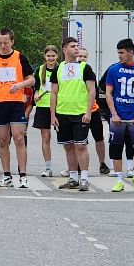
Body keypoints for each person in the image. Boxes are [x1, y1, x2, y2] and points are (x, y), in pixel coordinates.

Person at [0, 29, 35, 189]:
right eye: (0, 43)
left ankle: (23, 176)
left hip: (16, 103)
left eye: (6, 42)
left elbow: (31, 80)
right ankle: (6, 175)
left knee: (19, 138)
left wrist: (19, 85)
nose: (3, 46)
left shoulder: (19, 57)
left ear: (12, 41)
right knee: (3, 141)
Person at [101, 37, 134, 193]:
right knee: (116, 148)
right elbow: (108, 93)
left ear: (131, 52)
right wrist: (113, 114)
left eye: (122, 52)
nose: (119, 56)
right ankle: (118, 180)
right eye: (118, 52)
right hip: (118, 117)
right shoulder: (114, 70)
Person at [50, 37, 97, 191]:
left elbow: (92, 91)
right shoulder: (59, 68)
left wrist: (88, 111)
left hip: (80, 113)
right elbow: (54, 93)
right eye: (72, 46)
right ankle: (73, 178)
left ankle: (84, 178)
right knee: (68, 146)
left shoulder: (85, 68)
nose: (76, 48)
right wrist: (53, 114)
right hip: (63, 113)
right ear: (64, 50)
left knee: (81, 145)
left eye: (77, 46)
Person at [32, 44, 60, 178]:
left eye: (53, 56)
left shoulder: (61, 69)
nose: (50, 58)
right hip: (43, 106)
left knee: (65, 139)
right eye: (48, 56)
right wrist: (36, 94)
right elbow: (36, 87)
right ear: (45, 56)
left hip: (59, 106)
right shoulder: (40, 69)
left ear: (57, 56)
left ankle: (71, 168)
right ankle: (48, 167)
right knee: (45, 137)